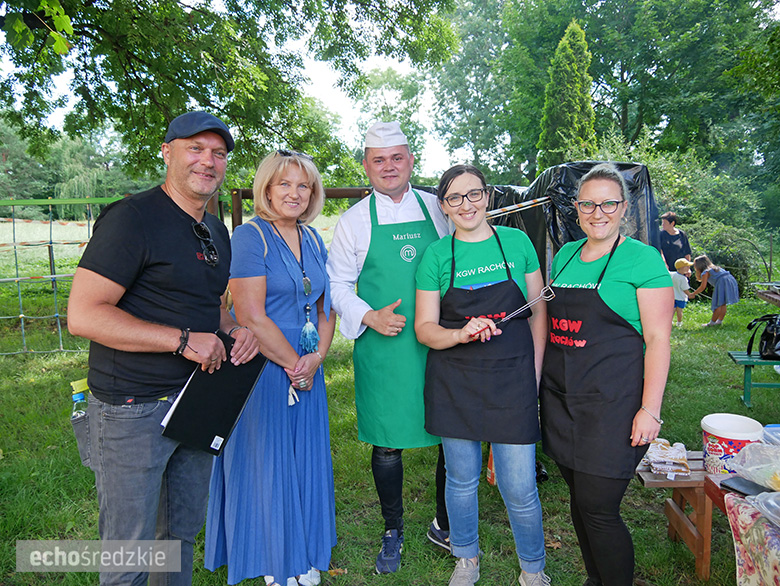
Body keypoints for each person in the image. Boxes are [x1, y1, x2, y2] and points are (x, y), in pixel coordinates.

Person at [67, 111, 259, 586]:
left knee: (177, 537)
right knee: (128, 554)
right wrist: (181, 341)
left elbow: (207, 304)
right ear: (167, 152)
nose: (207, 161)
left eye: (218, 153)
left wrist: (233, 328)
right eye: (195, 148)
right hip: (131, 408)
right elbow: (84, 315)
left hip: (196, 401)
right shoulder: (132, 219)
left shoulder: (214, 229)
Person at [204, 151, 336, 586]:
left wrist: (317, 359)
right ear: (266, 188)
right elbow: (251, 315)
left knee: (304, 459)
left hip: (307, 366)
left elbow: (326, 306)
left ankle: (304, 551)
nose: (294, 194)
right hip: (264, 367)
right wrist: (296, 365)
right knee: (269, 463)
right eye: (284, 184)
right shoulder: (250, 236)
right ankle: (274, 560)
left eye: (303, 186)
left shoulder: (313, 238)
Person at [539, 163, 673, 586]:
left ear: (624, 208)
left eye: (608, 204)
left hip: (614, 404)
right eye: (588, 204)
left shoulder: (642, 259)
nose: (598, 213)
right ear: (576, 209)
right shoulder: (565, 255)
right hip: (562, 399)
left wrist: (650, 409)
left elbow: (658, 340)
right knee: (580, 502)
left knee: (599, 507)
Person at [415, 165, 549, 586]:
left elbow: (538, 311)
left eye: (474, 193)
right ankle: (466, 560)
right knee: (460, 481)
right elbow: (424, 329)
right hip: (456, 382)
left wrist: (534, 373)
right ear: (444, 206)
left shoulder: (517, 242)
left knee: (520, 486)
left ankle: (533, 570)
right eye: (455, 197)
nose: (466, 204)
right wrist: (459, 333)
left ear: (487, 196)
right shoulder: (437, 255)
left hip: (513, 379)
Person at [327, 121, 452, 573]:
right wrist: (368, 316)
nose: (388, 167)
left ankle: (445, 521)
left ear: (411, 161)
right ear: (366, 165)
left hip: (440, 342)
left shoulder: (438, 208)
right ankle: (392, 527)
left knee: (451, 436)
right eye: (378, 160)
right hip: (386, 346)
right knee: (386, 442)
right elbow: (336, 284)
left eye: (397, 158)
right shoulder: (354, 221)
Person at [689, 254, 740, 327]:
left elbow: (703, 286)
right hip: (730, 280)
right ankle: (719, 321)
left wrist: (694, 293)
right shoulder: (716, 268)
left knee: (717, 304)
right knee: (723, 303)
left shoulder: (706, 272)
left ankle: (712, 323)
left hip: (722, 283)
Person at [671, 258, 694, 327]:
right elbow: (685, 289)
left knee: (672, 310)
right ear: (682, 268)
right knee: (679, 311)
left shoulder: (672, 274)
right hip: (681, 297)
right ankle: (679, 322)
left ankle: (669, 321)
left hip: (673, 296)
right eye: (687, 266)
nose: (689, 268)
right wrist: (690, 294)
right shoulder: (683, 279)